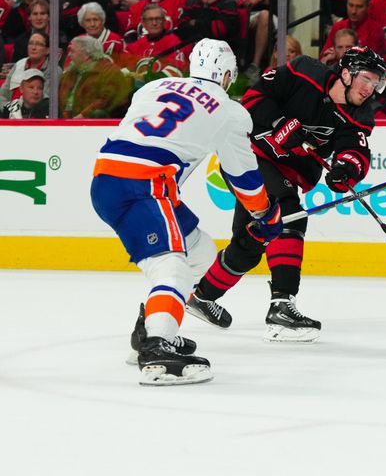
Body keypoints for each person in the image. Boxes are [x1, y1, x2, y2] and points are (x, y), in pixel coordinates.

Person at [90, 38, 282, 385]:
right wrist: (264, 214)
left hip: (107, 177)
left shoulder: (153, 87)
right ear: (225, 75)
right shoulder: (228, 110)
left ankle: (148, 329)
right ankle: (158, 348)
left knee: (200, 250)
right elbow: (244, 176)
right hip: (146, 184)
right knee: (172, 267)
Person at [184, 47, 386, 342]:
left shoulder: (359, 116)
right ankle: (282, 304)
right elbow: (252, 100)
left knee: (252, 241)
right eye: (366, 79)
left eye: (376, 83)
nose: (370, 89)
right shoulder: (304, 72)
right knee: (289, 215)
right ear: (346, 73)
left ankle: (202, 297)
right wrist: (279, 123)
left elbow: (355, 151)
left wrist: (345, 171)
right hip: (247, 159)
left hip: (286, 173)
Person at [59, 36, 130, 119]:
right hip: (64, 121)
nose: (69, 55)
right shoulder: (69, 74)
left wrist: (82, 115)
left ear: (86, 55)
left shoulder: (110, 72)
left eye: (72, 51)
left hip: (95, 123)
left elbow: (105, 100)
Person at [123, 3, 189, 79]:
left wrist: (145, 78)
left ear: (164, 21)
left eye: (158, 19)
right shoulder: (136, 45)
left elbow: (176, 71)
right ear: (143, 23)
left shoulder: (174, 42)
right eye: (150, 19)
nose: (154, 23)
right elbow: (126, 70)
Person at [320, 0, 384, 61]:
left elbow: (369, 60)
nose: (353, 11)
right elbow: (324, 55)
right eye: (351, 5)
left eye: (359, 7)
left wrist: (338, 54)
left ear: (368, 7)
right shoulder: (338, 26)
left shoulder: (375, 29)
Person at [0, 31, 60, 108]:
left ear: (47, 50)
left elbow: (44, 100)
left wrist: (19, 111)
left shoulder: (53, 70)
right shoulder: (19, 64)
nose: (33, 47)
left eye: (39, 44)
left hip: (33, 116)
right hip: (9, 112)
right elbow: (2, 95)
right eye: (31, 43)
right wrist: (9, 110)